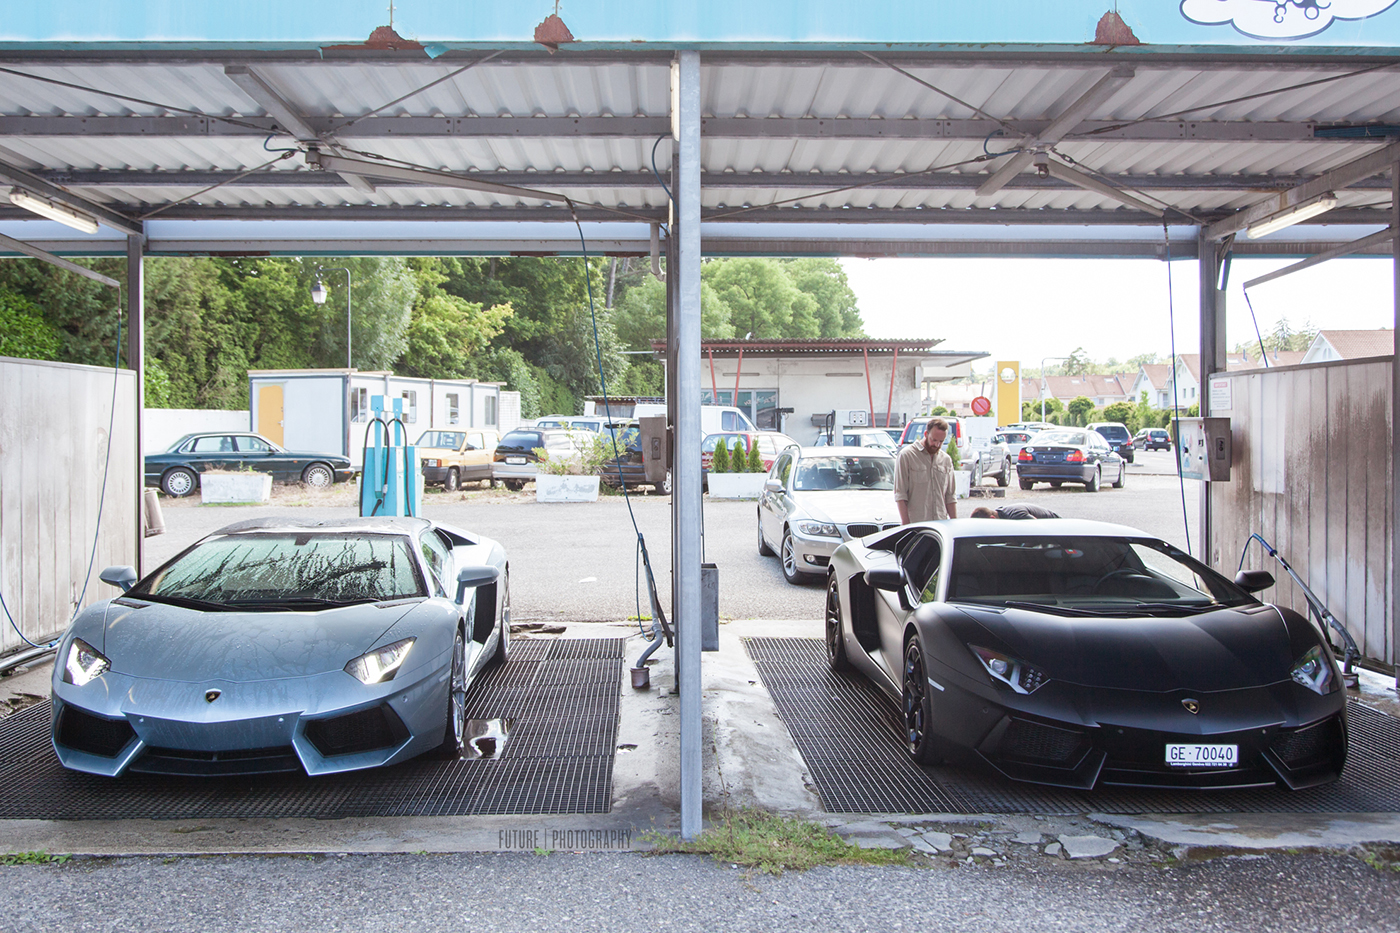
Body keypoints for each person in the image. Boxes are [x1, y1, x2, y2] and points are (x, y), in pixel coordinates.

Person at [894, 417, 957, 523]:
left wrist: (955, 523)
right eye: (934, 440)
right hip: (917, 524)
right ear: (926, 434)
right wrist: (906, 526)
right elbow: (900, 494)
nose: (937, 445)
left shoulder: (946, 460)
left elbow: (950, 496)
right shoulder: (907, 456)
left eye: (941, 441)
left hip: (940, 524)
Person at [969, 503, 1060, 520]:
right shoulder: (1001, 513)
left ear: (992, 518)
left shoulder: (1016, 515)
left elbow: (1036, 527)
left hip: (1057, 527)